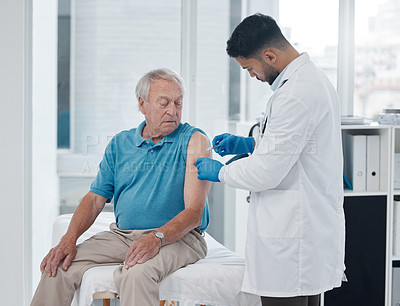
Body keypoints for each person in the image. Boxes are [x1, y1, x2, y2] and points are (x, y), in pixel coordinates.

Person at [195, 14, 345, 306]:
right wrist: (252, 143)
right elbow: (298, 146)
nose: (251, 75)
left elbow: (267, 171)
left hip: (294, 241)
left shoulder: (297, 94)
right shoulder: (307, 81)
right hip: (299, 235)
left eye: (250, 67)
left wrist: (221, 173)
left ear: (269, 55)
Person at [31, 68, 212, 306]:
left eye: (178, 103)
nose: (173, 110)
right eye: (164, 102)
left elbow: (194, 213)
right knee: (58, 266)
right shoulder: (120, 144)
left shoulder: (195, 141)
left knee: (136, 273)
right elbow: (96, 198)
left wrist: (157, 237)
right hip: (124, 236)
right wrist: (69, 239)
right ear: (142, 103)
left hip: (179, 238)